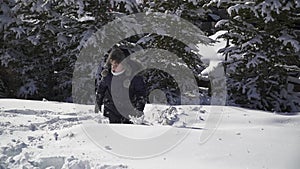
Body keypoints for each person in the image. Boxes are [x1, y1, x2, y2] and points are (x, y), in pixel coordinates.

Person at [95, 48, 147, 123]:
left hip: (129, 113)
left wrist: (138, 110)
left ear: (124, 65)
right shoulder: (108, 76)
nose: (113, 67)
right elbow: (100, 90)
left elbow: (141, 94)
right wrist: (98, 104)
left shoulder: (134, 77)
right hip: (110, 112)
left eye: (116, 64)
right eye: (112, 64)